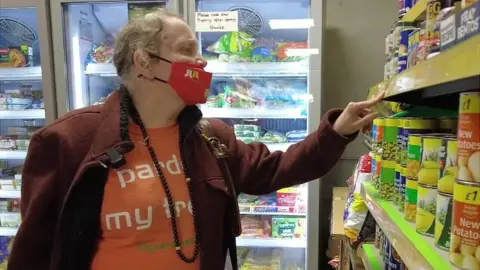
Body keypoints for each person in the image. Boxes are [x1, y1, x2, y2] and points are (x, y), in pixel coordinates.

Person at [8, 9, 384, 270]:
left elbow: (278, 169)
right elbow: (35, 251)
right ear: (144, 62)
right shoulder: (68, 142)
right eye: (187, 50)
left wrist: (339, 131)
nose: (202, 62)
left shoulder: (210, 137)